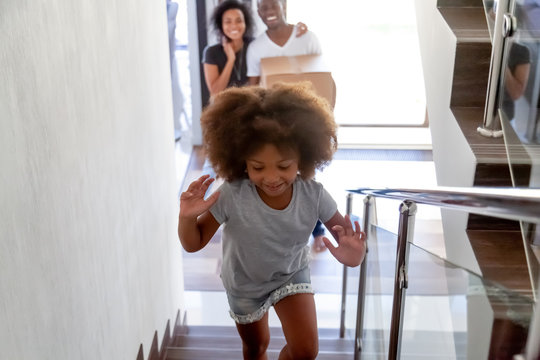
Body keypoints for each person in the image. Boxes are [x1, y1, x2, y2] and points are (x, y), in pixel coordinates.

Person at [178, 83, 366, 360]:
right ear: (241, 161)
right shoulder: (232, 193)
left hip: (291, 274)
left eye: (284, 166)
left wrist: (354, 255)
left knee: (305, 351)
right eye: (257, 167)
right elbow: (193, 243)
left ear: (303, 156)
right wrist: (186, 217)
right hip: (245, 284)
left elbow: (346, 244)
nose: (271, 177)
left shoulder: (313, 195)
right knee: (256, 348)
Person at [202, 0, 308, 96]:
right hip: (223, 108)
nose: (234, 26)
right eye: (228, 22)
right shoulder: (211, 52)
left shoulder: (254, 46)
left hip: (249, 105)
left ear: (245, 23)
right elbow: (215, 91)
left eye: (239, 20)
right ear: (221, 25)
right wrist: (230, 60)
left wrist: (294, 29)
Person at [247, 0, 322, 85]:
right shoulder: (255, 48)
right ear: (259, 13)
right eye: (264, 8)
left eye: (274, 5)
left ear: (284, 6)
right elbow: (253, 88)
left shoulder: (308, 38)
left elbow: (323, 76)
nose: (270, 11)